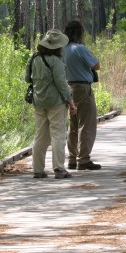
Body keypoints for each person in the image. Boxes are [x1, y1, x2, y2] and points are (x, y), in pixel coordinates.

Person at [25, 29, 77, 179]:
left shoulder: (34, 58)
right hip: (56, 103)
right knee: (58, 135)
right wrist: (71, 103)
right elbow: (62, 84)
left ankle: (38, 170)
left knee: (40, 136)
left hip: (39, 101)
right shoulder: (56, 62)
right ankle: (59, 169)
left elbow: (27, 79)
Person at [63, 20, 101, 171]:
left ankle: (72, 158)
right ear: (80, 33)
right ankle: (83, 159)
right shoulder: (80, 48)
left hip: (68, 88)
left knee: (73, 124)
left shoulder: (62, 49)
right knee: (86, 124)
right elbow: (96, 65)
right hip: (83, 88)